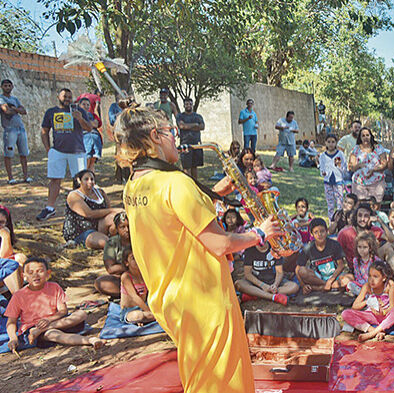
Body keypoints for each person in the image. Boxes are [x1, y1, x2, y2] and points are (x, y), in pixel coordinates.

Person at [114, 105, 284, 392]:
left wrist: (215, 193)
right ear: (155, 136)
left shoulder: (134, 185)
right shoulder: (176, 184)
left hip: (172, 299)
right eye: (171, 131)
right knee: (220, 381)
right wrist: (259, 233)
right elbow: (220, 243)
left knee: (201, 375)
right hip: (203, 298)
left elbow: (172, 222)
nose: (176, 137)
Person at [5, 258, 103, 351]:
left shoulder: (54, 287)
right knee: (53, 334)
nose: (36, 275)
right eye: (31, 273)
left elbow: (63, 311)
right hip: (33, 328)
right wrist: (13, 338)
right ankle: (90, 340)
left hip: (55, 322)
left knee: (81, 314)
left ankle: (40, 330)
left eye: (40, 271)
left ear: (48, 273)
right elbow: (11, 322)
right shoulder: (19, 295)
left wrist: (48, 321)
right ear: (24, 276)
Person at [36, 88, 93, 221]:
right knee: (55, 179)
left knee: (80, 181)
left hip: (77, 151)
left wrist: (80, 118)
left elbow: (89, 128)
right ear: (58, 97)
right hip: (57, 151)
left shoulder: (80, 111)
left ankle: (80, 208)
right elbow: (44, 130)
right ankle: (50, 208)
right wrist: (48, 148)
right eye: (64, 96)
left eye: (69, 97)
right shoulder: (51, 112)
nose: (67, 99)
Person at [337, 203, 394, 284]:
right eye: (360, 216)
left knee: (391, 245)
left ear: (370, 218)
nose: (362, 219)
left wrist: (380, 221)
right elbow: (336, 251)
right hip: (357, 266)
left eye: (366, 216)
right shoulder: (345, 233)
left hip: (372, 262)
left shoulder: (374, 229)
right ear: (355, 217)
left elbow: (392, 239)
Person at [342, 260, 394, 341]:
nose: (371, 280)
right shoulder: (367, 286)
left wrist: (384, 312)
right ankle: (373, 330)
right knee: (345, 313)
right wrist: (367, 301)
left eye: (375, 276)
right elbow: (355, 307)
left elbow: (392, 306)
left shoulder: (389, 285)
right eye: (370, 276)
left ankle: (373, 333)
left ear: (384, 278)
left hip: (386, 316)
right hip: (371, 316)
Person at [63, 170, 122, 249]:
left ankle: (117, 240)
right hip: (82, 231)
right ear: (79, 181)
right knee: (105, 242)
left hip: (99, 225)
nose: (90, 181)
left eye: (92, 179)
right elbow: (88, 214)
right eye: (86, 179)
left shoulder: (100, 192)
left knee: (115, 218)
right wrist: (113, 210)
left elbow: (108, 209)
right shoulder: (74, 195)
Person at [297, 218, 352, 293]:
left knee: (350, 278)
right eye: (316, 232)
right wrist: (303, 285)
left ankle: (318, 288)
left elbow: (341, 265)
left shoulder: (334, 244)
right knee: (302, 271)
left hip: (334, 277)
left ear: (327, 231)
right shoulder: (308, 248)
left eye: (322, 231)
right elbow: (298, 269)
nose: (319, 234)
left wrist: (330, 281)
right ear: (311, 234)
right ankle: (326, 286)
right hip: (317, 278)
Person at [0, 79, 31, 185]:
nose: (7, 87)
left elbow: (23, 111)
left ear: (12, 87)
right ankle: (10, 177)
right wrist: (16, 110)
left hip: (20, 128)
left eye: (9, 86)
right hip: (9, 129)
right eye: (5, 86)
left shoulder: (15, 99)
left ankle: (26, 176)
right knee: (9, 153)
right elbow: (6, 111)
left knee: (24, 153)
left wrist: (14, 108)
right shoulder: (0, 98)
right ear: (2, 87)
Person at [94, 212, 130, 297]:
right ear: (117, 229)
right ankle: (130, 292)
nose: (127, 230)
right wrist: (129, 267)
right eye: (122, 227)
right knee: (100, 283)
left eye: (129, 226)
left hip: (140, 278)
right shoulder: (112, 243)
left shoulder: (139, 239)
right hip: (123, 278)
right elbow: (110, 269)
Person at [349, 127, 387, 202]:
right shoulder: (356, 149)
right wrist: (359, 165)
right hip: (359, 182)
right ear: (360, 138)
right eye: (363, 136)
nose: (365, 137)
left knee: (376, 204)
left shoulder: (378, 147)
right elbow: (351, 167)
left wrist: (373, 170)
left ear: (371, 136)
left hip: (377, 181)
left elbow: (384, 164)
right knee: (360, 205)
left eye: (367, 135)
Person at [119, 248, 156, 325]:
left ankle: (147, 318)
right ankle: (151, 317)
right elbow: (134, 297)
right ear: (126, 263)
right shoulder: (126, 277)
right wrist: (149, 311)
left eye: (138, 257)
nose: (136, 260)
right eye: (133, 258)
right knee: (137, 316)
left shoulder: (144, 274)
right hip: (130, 310)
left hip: (144, 307)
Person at [176, 98, 206, 180]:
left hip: (196, 144)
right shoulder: (180, 116)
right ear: (184, 105)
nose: (188, 106)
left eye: (190, 104)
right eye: (186, 104)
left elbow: (202, 127)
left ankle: (195, 185)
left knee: (194, 166)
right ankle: (188, 185)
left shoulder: (198, 116)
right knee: (186, 167)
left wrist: (188, 126)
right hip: (185, 144)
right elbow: (182, 126)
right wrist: (195, 125)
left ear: (192, 105)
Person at [320, 134, 347, 219]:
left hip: (338, 181)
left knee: (340, 201)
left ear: (336, 143)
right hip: (327, 182)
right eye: (329, 142)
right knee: (330, 203)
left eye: (333, 142)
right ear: (325, 143)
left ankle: (339, 220)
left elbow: (345, 168)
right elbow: (322, 168)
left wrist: (339, 166)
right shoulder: (323, 156)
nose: (331, 144)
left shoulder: (340, 154)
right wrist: (323, 173)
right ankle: (331, 220)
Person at [78, 97, 103, 172]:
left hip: (95, 138)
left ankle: (91, 180)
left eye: (88, 105)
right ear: (79, 105)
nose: (86, 106)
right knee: (86, 160)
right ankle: (83, 179)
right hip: (84, 138)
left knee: (92, 162)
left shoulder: (93, 115)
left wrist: (85, 123)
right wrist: (89, 124)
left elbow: (96, 124)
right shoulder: (77, 114)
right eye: (83, 104)